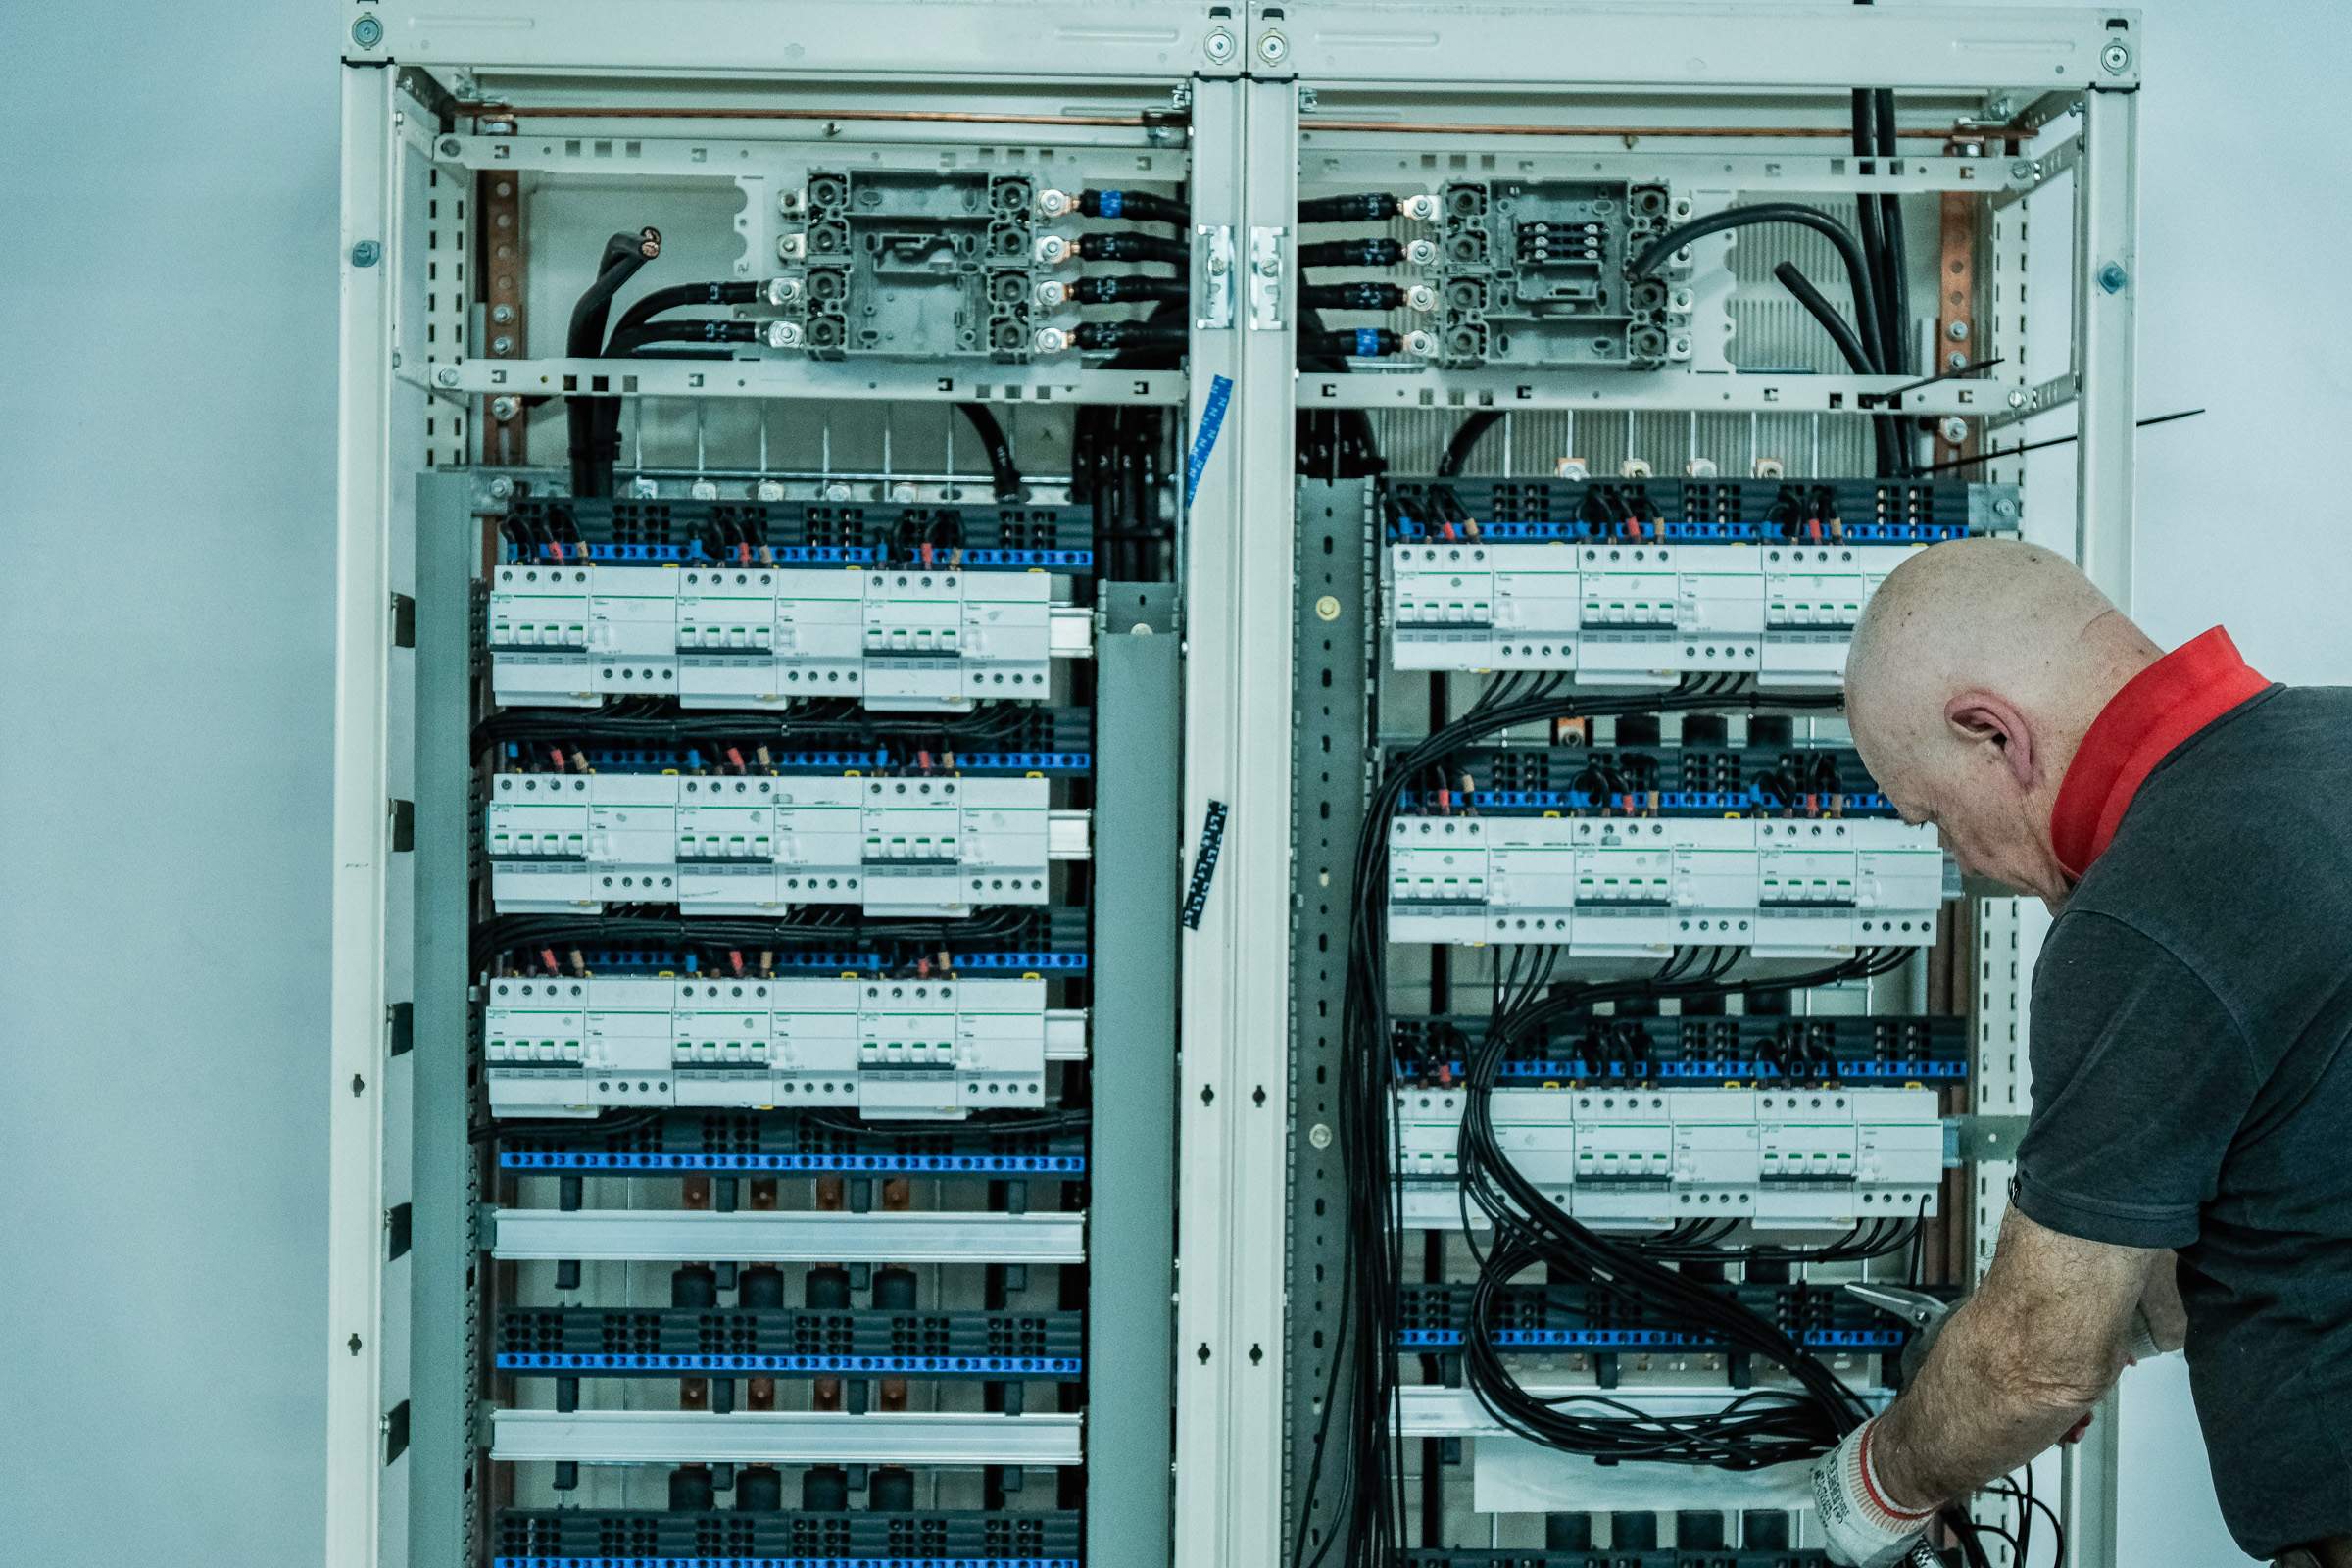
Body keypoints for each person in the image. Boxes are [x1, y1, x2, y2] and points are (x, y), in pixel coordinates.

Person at [1804, 538, 2352, 1568]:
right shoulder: (2336, 740)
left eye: (1933, 816)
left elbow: (2028, 1369)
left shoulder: (2144, 913)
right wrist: (2116, 1322)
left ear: (1993, 734)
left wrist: (1871, 1485)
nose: (1961, 859)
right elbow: (2304, 1186)